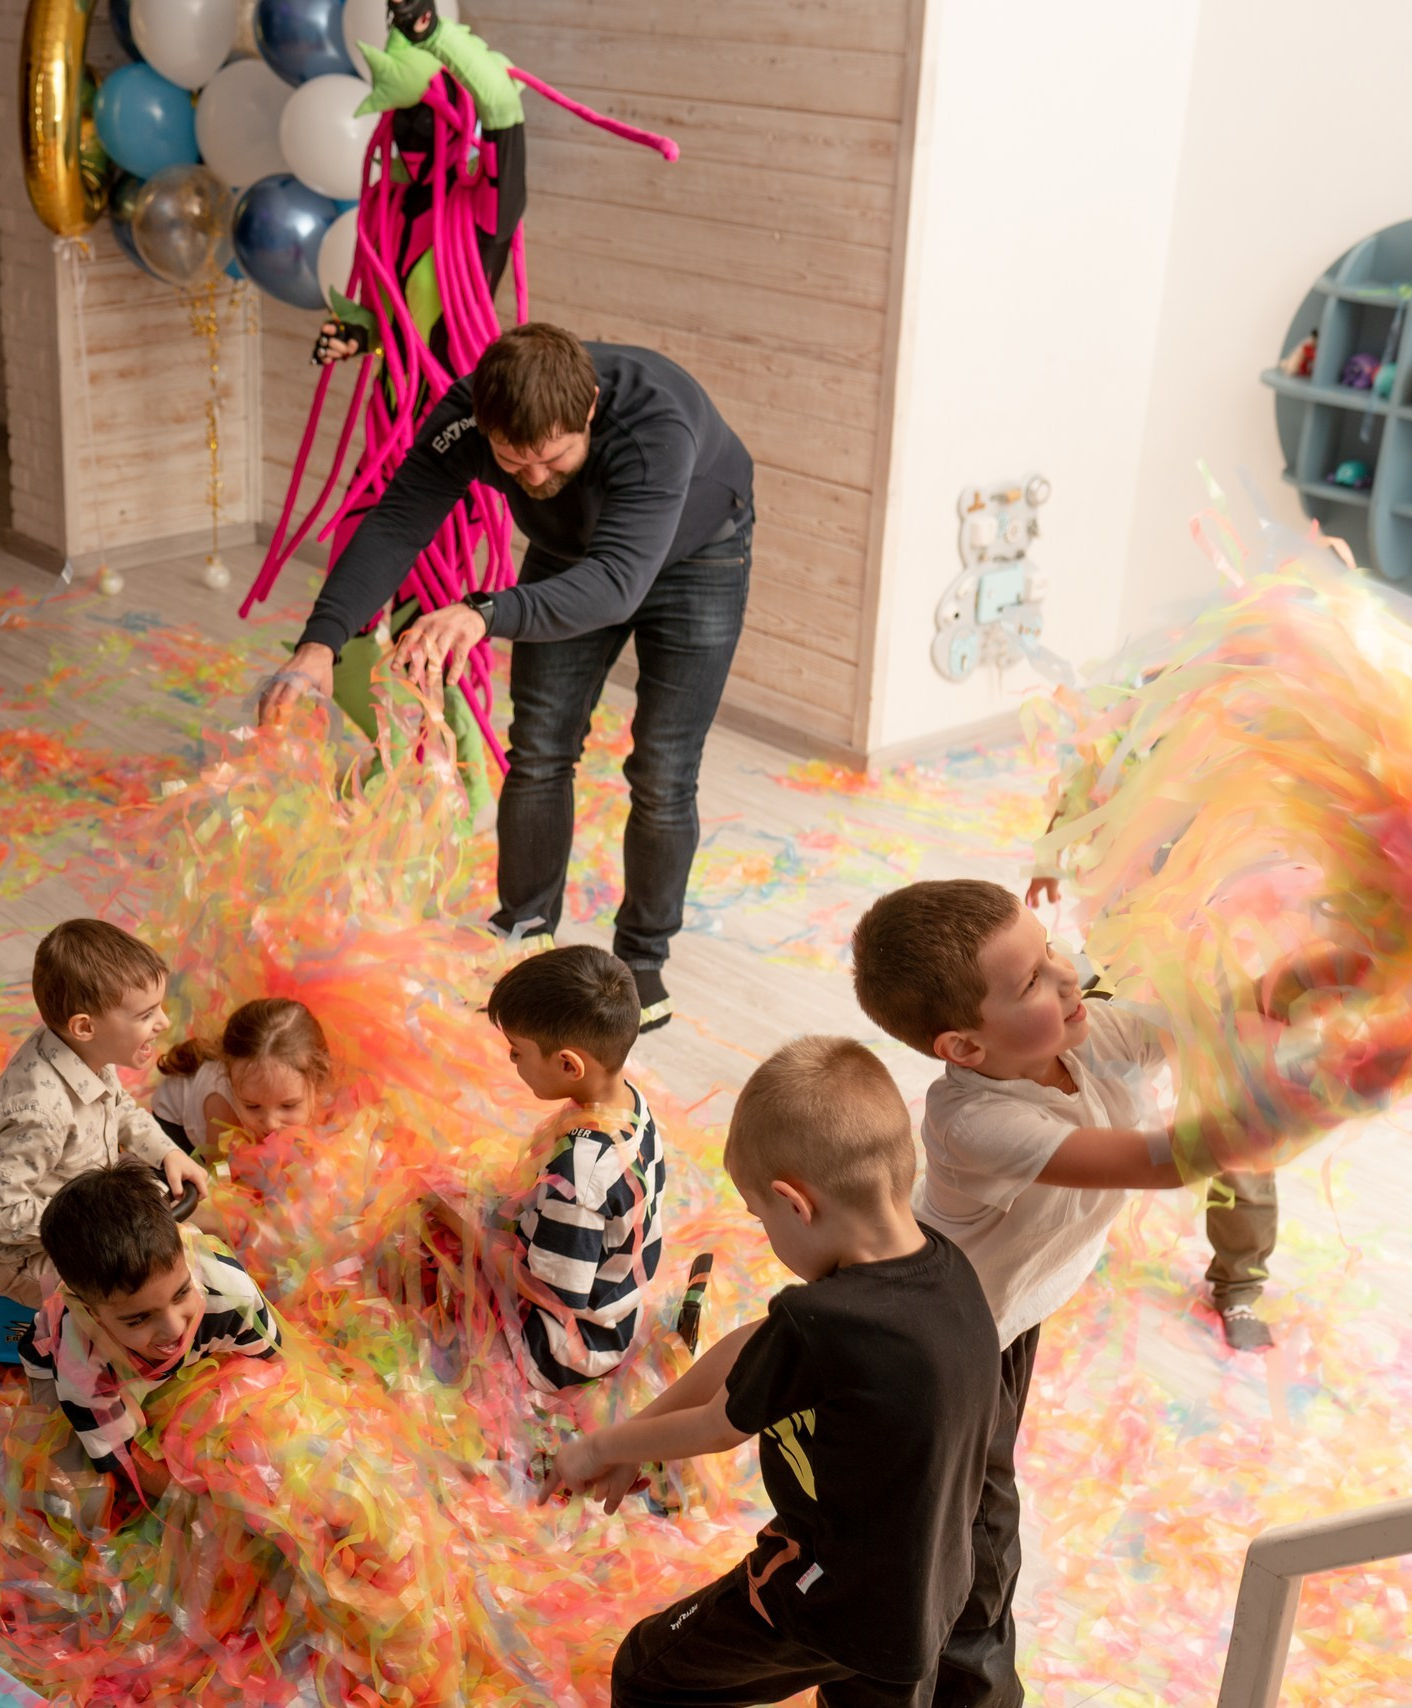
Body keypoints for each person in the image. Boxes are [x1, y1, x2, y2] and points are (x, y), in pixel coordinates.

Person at [257, 323, 753, 1037]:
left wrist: (484, 613)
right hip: (568, 552)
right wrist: (319, 645)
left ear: (586, 409)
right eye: (512, 464)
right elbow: (397, 523)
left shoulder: (653, 425)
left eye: (550, 459)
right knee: (540, 749)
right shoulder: (466, 415)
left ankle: (642, 958)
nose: (534, 480)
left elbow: (617, 582)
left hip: (697, 557)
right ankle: (522, 928)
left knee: (664, 770)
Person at [850, 879, 1265, 1706]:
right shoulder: (973, 1119)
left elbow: (1202, 1020)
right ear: (964, 1047)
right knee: (969, 1536)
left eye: (1051, 953)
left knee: (967, 1522)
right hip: (938, 1340)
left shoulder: (1083, 1037)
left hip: (1007, 1318)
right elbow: (1164, 1160)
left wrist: (1305, 983)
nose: (1069, 976)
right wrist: (1315, 1093)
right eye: (1032, 981)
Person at [542, 1037, 1002, 1708]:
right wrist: (641, 1428)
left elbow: (718, 1425)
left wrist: (598, 1447)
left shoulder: (826, 1319)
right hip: (924, 1602)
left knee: (650, 1671)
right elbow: (748, 1350)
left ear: (796, 1203)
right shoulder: (949, 1271)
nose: (766, 1234)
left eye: (761, 1218)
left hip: (824, 1596)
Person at [1025, 876, 1279, 1352]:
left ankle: (1239, 1285)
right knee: (1073, 1079)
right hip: (1129, 952)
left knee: (1237, 1140)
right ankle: (1045, 1224)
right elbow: (1098, 805)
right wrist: (1050, 855)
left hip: (1226, 974)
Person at [0, 920, 215, 1307]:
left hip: (91, 1202)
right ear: (84, 1026)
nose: (163, 1023)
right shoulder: (41, 1114)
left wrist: (168, 1153)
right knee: (148, 1287)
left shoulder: (89, 1052)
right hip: (30, 1258)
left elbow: (122, 1108)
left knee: (196, 1242)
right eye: (146, 1014)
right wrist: (99, 1227)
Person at [19, 1161, 283, 1511]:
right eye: (138, 1318)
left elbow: (276, 1371)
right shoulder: (81, 1363)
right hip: (83, 1372)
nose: (175, 1327)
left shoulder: (229, 1293)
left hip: (158, 1362)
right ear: (92, 1312)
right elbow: (125, 1458)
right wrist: (200, 1506)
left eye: (180, 1294)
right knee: (73, 1495)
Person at [488, 944, 664, 1389]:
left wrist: (475, 1239)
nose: (512, 1061)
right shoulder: (632, 1104)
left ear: (568, 1064)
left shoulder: (580, 1174)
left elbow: (554, 1293)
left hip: (564, 1347)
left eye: (516, 1052)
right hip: (615, 1304)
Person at [150, 996, 332, 1157]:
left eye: (288, 1105)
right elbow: (218, 1172)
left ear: (318, 1080)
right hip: (173, 1128)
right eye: (252, 1106)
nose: (271, 1123)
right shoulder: (222, 1106)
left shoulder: (317, 1091)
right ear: (228, 1077)